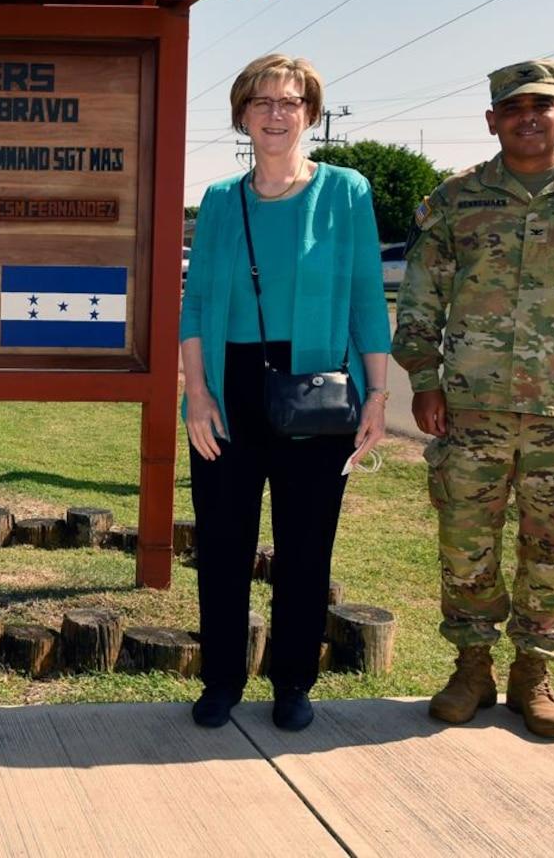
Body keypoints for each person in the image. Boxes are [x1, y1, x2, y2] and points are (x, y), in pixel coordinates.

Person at [393, 59, 554, 740]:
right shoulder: (456, 198)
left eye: (541, 105)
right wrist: (424, 378)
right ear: (492, 121)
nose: (527, 118)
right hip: (470, 408)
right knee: (465, 546)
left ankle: (533, 676)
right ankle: (471, 669)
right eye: (512, 108)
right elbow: (421, 294)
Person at [180, 53, 391, 731]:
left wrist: (377, 395)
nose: (276, 114)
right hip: (229, 388)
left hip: (317, 389)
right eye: (262, 101)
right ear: (242, 114)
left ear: (310, 114)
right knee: (222, 542)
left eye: (290, 101)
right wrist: (197, 394)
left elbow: (366, 296)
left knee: (305, 545)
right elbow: (196, 303)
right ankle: (221, 679)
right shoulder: (220, 200)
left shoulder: (345, 191)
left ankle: (293, 682)